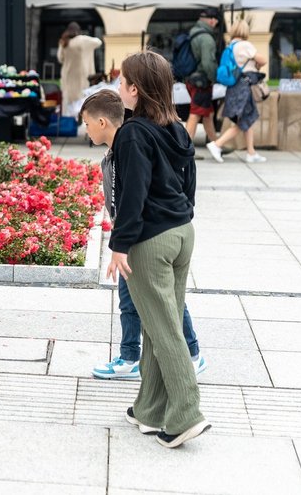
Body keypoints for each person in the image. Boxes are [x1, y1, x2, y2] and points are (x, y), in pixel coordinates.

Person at [107, 51, 210, 449]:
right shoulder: (178, 128)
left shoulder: (134, 132)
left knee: (165, 329)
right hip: (182, 232)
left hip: (152, 240)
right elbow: (190, 180)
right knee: (156, 322)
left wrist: (120, 245)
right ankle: (150, 409)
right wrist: (181, 213)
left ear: (135, 88)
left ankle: (186, 414)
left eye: (121, 82)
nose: (118, 88)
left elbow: (132, 195)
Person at [81, 90, 205, 382]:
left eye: (86, 123)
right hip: (134, 233)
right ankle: (130, 356)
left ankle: (190, 353)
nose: (85, 129)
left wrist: (122, 242)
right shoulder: (116, 150)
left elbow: (136, 196)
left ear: (101, 122)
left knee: (164, 298)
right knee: (134, 298)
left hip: (144, 235)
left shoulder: (132, 145)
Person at [206, 20, 268, 164]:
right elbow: (263, 60)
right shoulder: (245, 45)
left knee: (247, 118)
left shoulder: (231, 46)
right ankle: (217, 144)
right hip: (244, 87)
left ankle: (251, 152)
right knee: (245, 120)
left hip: (235, 87)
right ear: (245, 31)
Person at [185, 8, 221, 145]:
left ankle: (216, 144)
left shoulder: (193, 32)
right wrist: (215, 78)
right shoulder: (206, 38)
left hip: (192, 78)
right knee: (195, 113)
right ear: (212, 20)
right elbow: (208, 63)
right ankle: (184, 149)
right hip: (202, 81)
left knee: (207, 115)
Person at [58, 22, 102, 116]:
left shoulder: (64, 42)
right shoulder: (81, 40)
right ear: (78, 30)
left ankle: (68, 124)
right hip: (80, 76)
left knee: (68, 102)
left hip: (67, 76)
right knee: (81, 101)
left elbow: (60, 58)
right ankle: (79, 124)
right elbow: (98, 42)